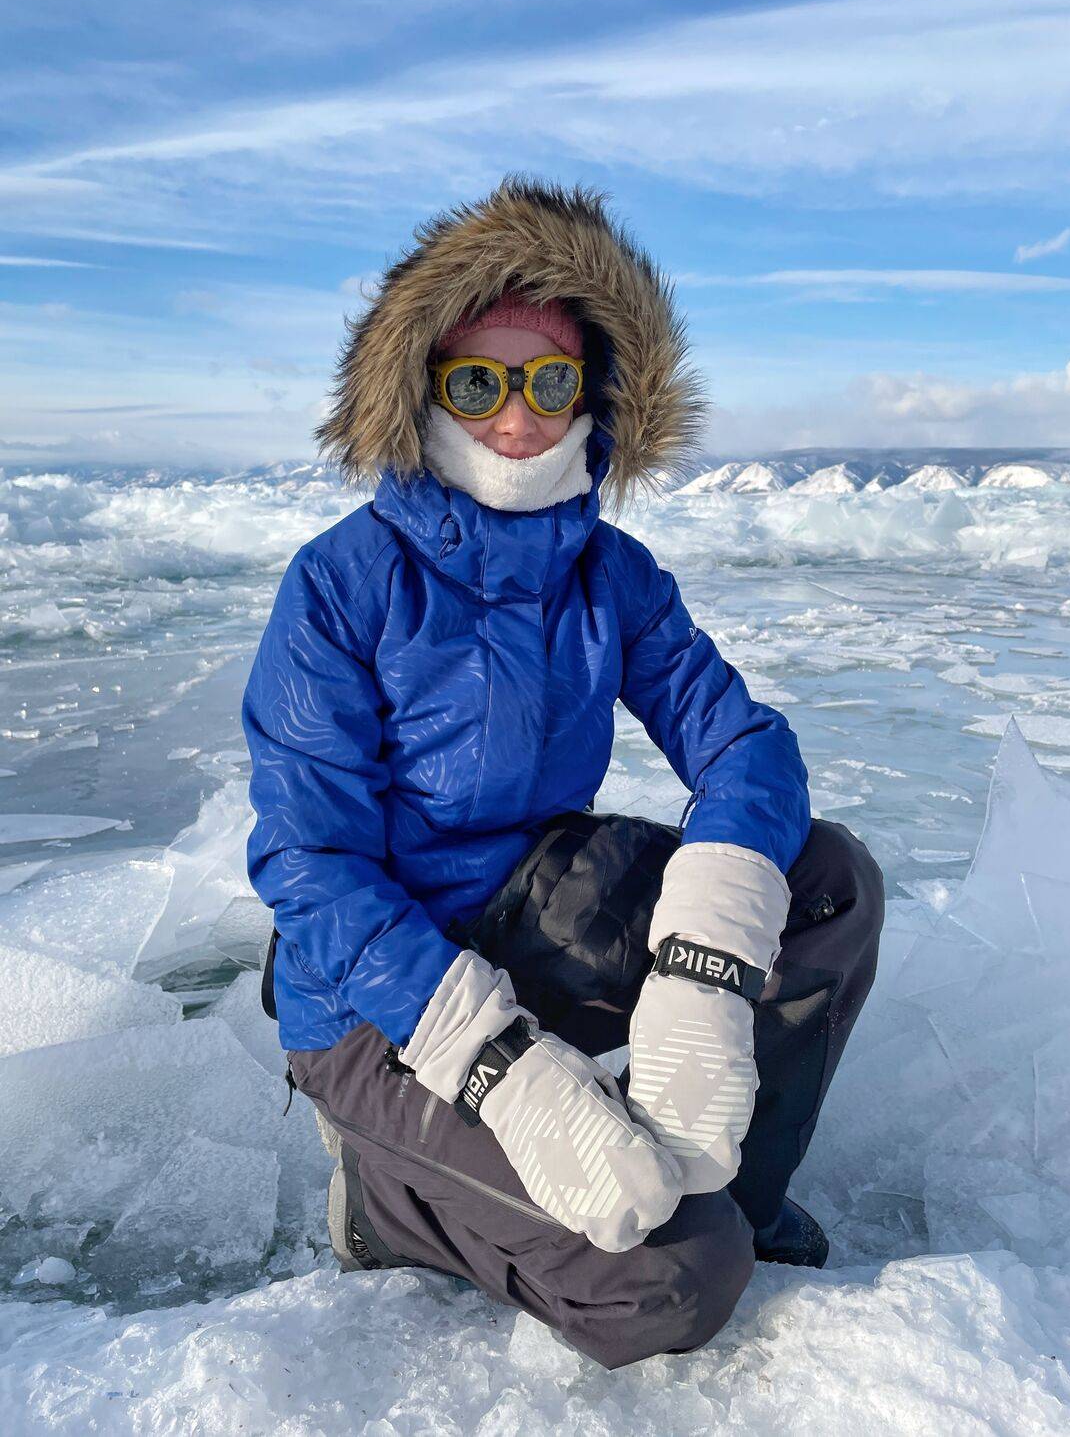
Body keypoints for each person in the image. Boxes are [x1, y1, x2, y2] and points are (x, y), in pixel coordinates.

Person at [241, 173, 884, 1370]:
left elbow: (744, 745)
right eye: (476, 383)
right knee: (672, 1284)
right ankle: (389, 1203)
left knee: (827, 882)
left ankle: (727, 1180)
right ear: (422, 386)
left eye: (548, 382)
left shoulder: (610, 573)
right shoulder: (340, 585)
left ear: (595, 393)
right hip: (379, 995)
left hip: (533, 908)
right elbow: (309, 862)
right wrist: (495, 1066)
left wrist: (704, 964)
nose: (516, 418)